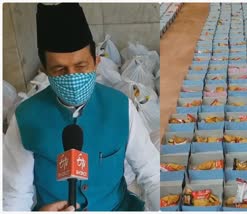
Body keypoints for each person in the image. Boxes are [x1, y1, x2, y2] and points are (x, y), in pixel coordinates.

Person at [3, 3, 159, 211]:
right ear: (44, 70)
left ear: (96, 62)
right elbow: (15, 194)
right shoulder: (25, 118)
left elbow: (153, 175)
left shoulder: (121, 108)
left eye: (81, 66)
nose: (72, 77)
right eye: (59, 69)